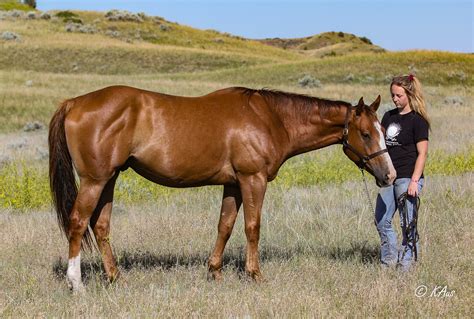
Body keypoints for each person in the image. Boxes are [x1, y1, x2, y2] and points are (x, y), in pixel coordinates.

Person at [375, 74, 430, 271]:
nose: (395, 99)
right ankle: (388, 261)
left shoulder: (418, 121)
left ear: (409, 94)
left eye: (399, 95)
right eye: (393, 95)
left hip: (408, 177)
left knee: (408, 224)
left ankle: (406, 266)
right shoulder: (388, 117)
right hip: (389, 177)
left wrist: (415, 181)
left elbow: (422, 154)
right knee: (381, 220)